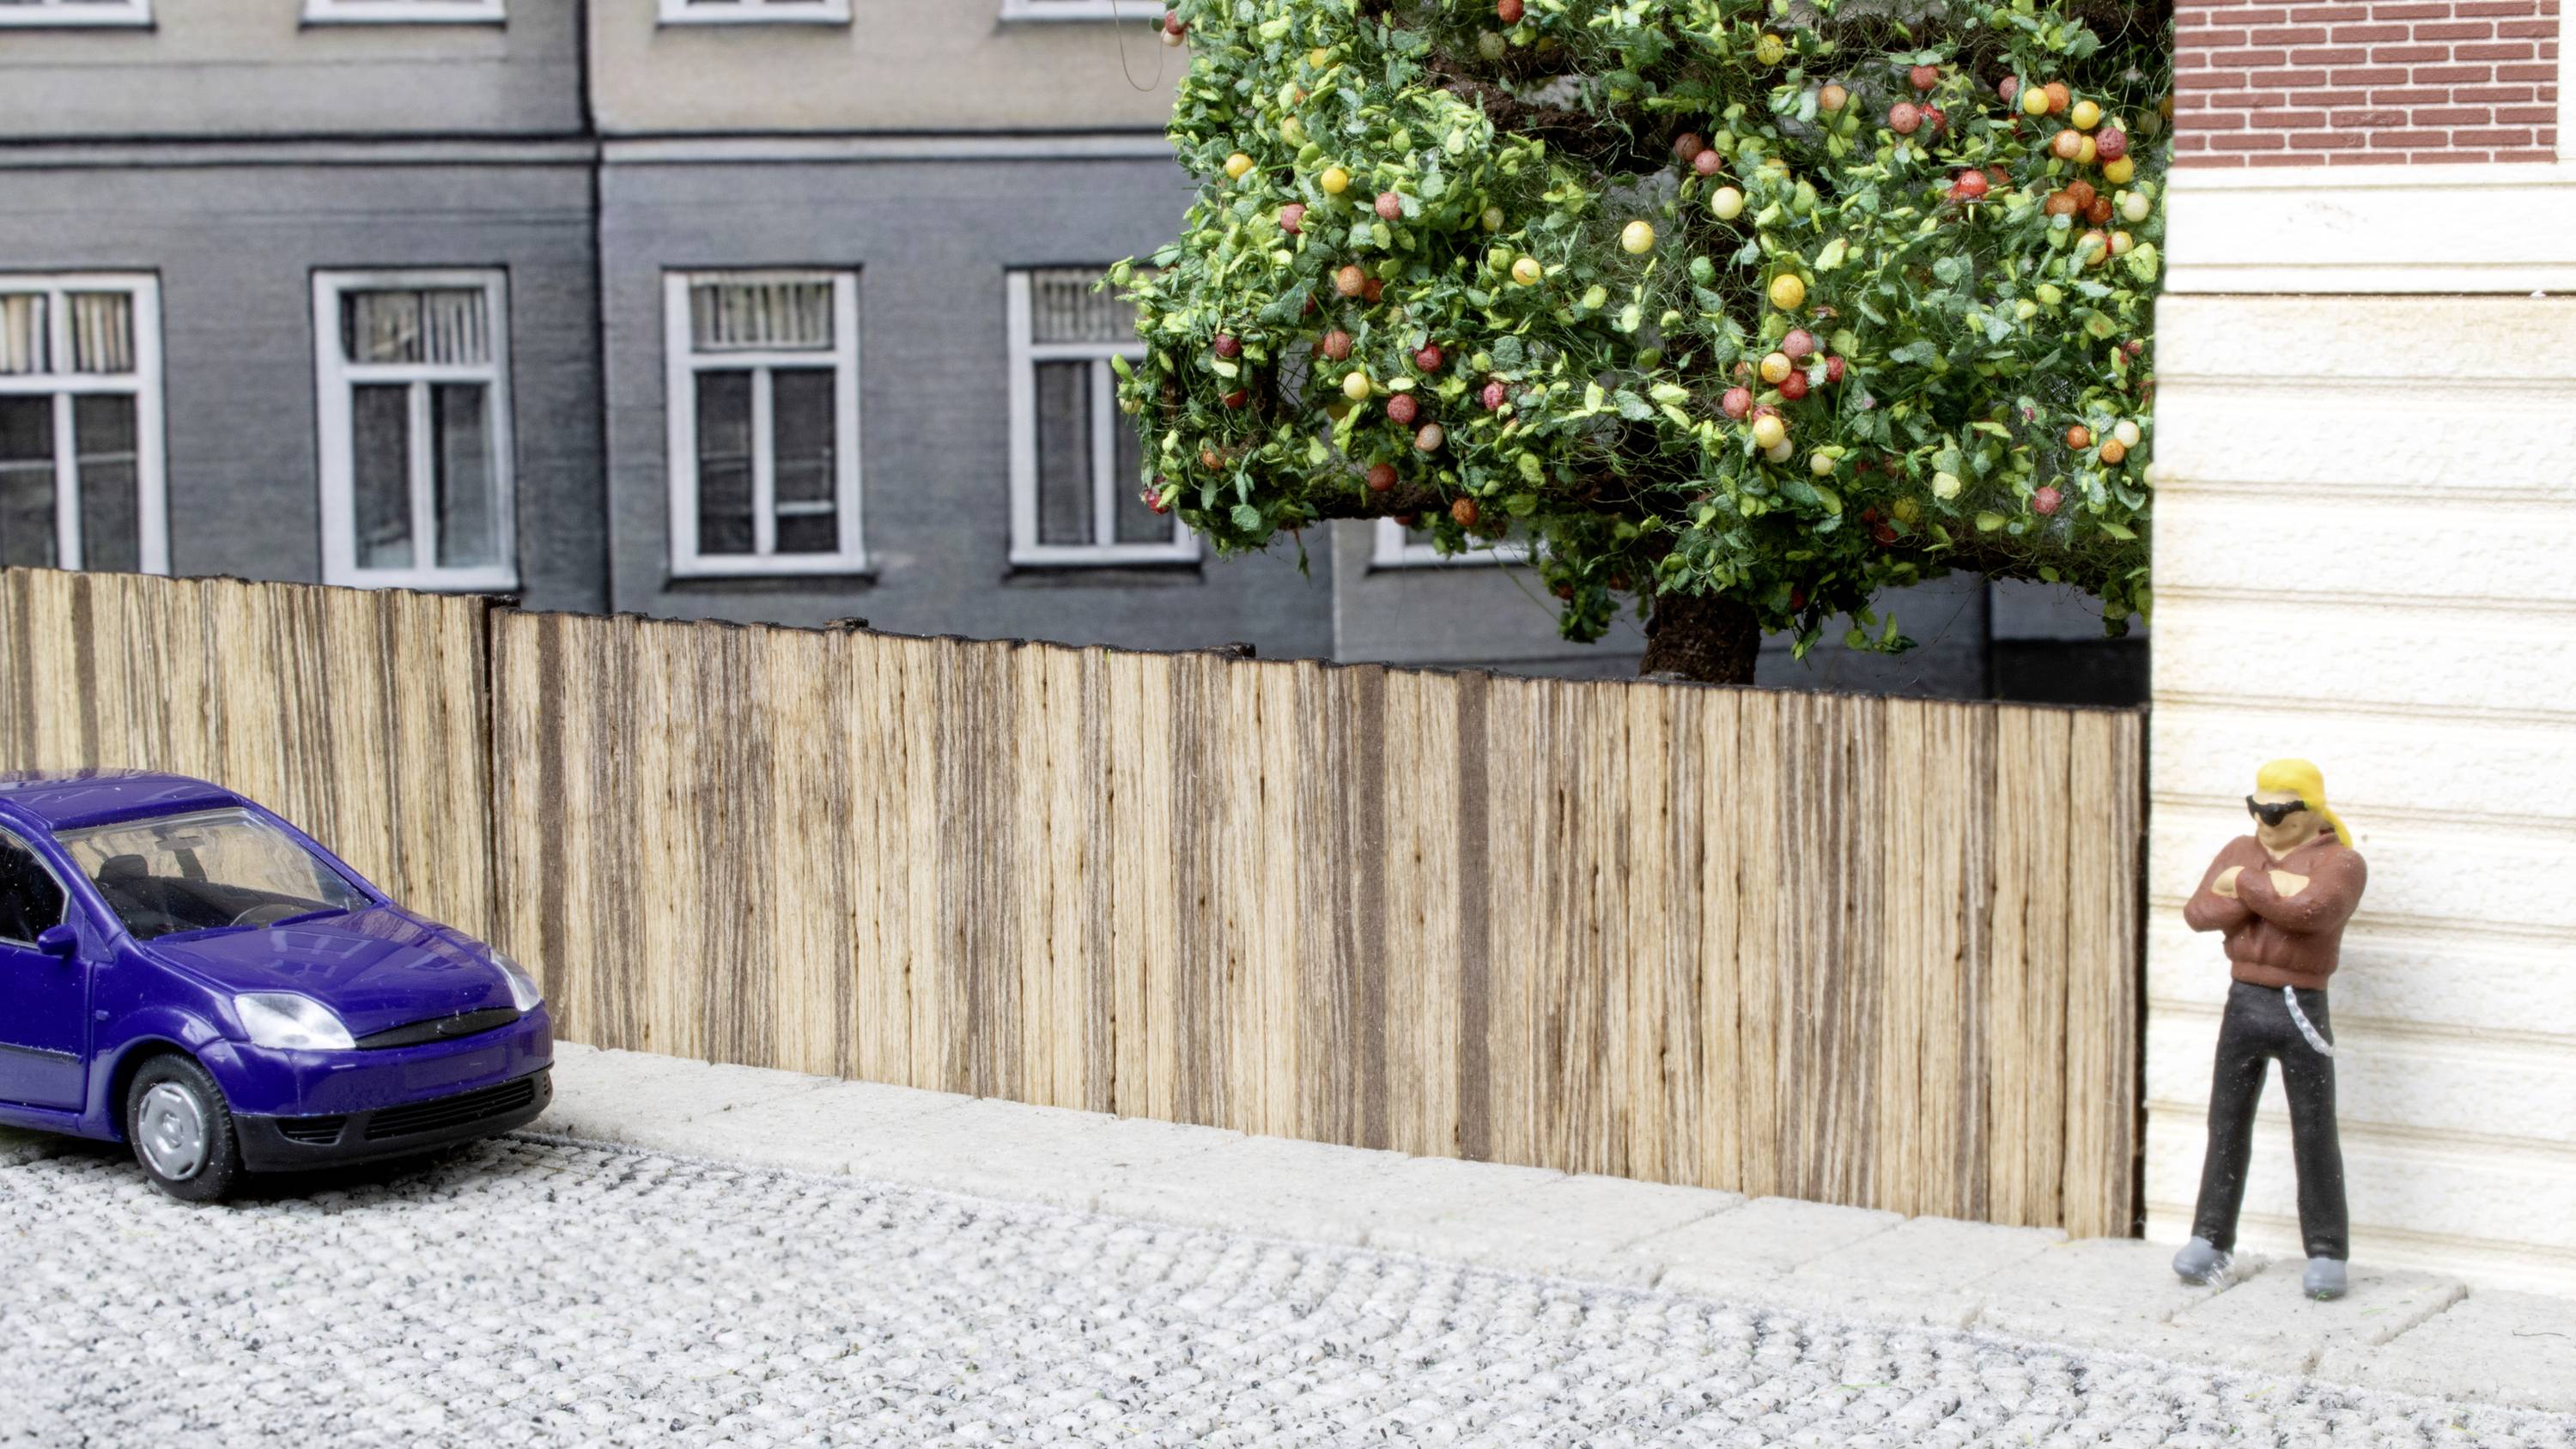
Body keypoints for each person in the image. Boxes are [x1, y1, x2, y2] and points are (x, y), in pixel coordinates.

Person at [2172, 758, 2366, 1300]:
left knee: (2313, 1130)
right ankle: (2210, 1237)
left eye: (2279, 809)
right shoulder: (2239, 851)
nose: (2266, 819)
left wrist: (2246, 888)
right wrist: (2267, 891)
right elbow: (2198, 913)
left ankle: (2327, 1250)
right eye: (2257, 807)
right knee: (2226, 1123)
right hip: (2244, 1000)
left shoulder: (2342, 863)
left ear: (2311, 811)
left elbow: (2311, 913)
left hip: (2300, 1002)